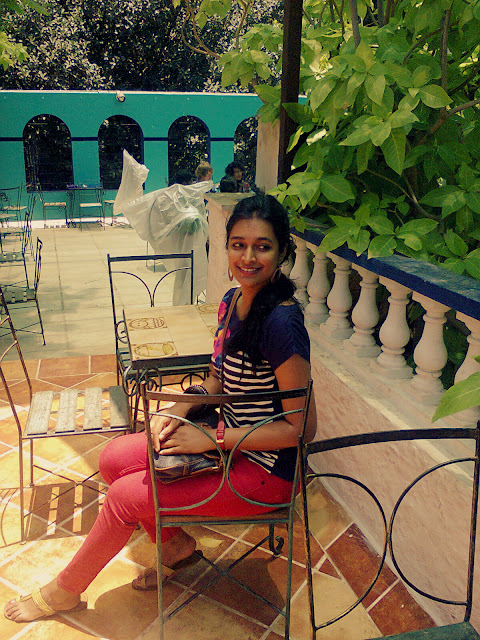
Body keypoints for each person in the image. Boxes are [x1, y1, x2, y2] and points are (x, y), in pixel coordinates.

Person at [4, 194, 317, 622]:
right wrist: (178, 410)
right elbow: (217, 379)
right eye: (238, 244)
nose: (248, 257)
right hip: (231, 444)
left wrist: (213, 439)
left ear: (281, 252)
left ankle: (64, 591)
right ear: (225, 247)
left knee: (124, 497)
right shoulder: (232, 302)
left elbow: (299, 429)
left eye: (262, 246)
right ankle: (175, 547)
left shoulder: (282, 323)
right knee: (114, 458)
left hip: (267, 472)